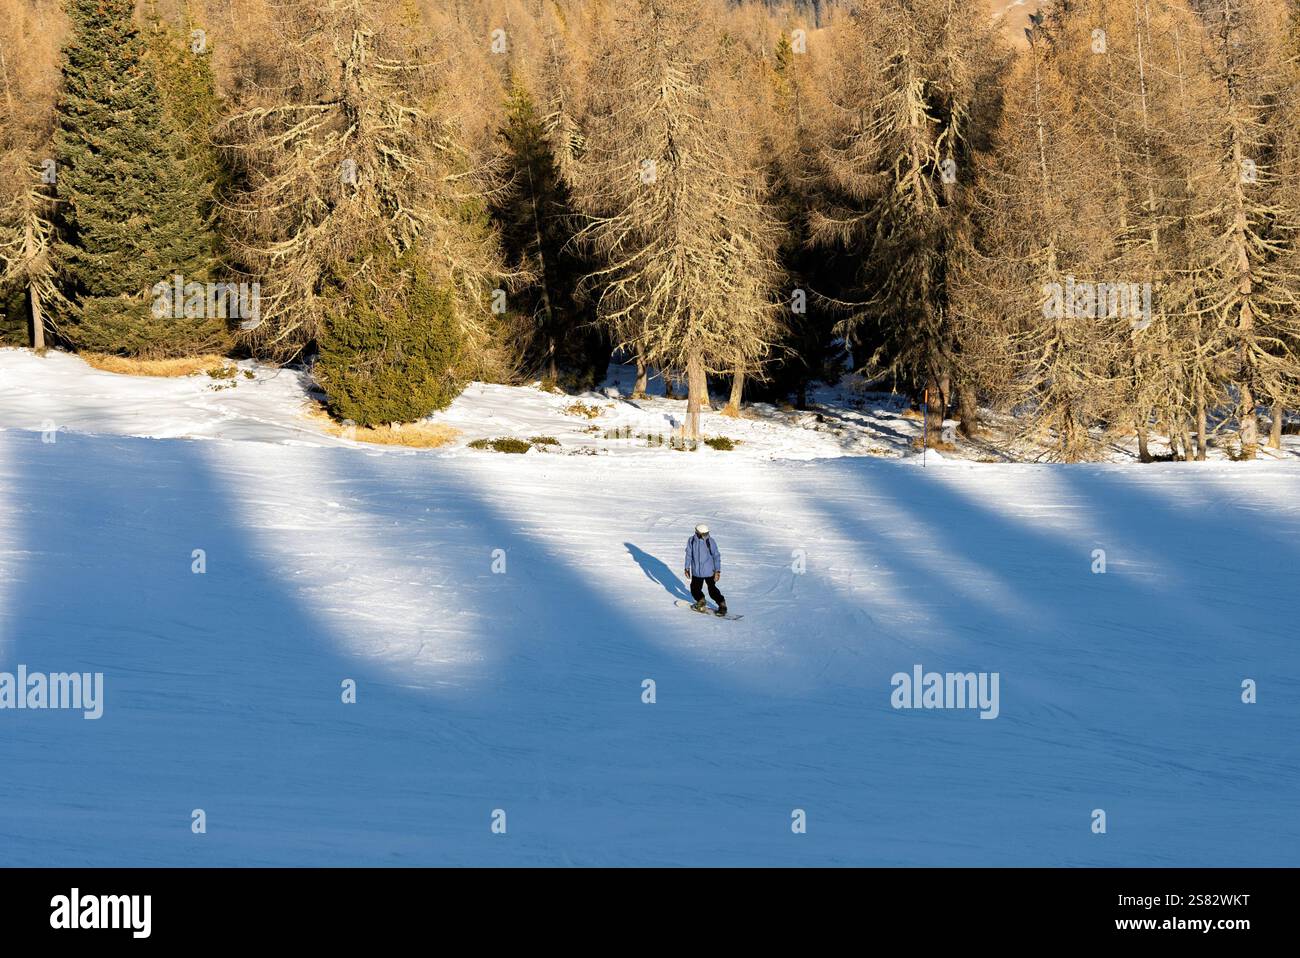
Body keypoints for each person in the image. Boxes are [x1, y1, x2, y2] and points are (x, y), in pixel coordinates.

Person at [683, 524, 726, 616]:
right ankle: (701, 601)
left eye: (706, 533)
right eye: (704, 534)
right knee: (695, 589)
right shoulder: (691, 541)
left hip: (709, 571)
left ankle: (722, 605)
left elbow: (716, 556)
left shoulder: (711, 542)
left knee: (712, 590)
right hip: (696, 572)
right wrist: (687, 567)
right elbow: (689, 555)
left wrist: (717, 571)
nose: (705, 535)